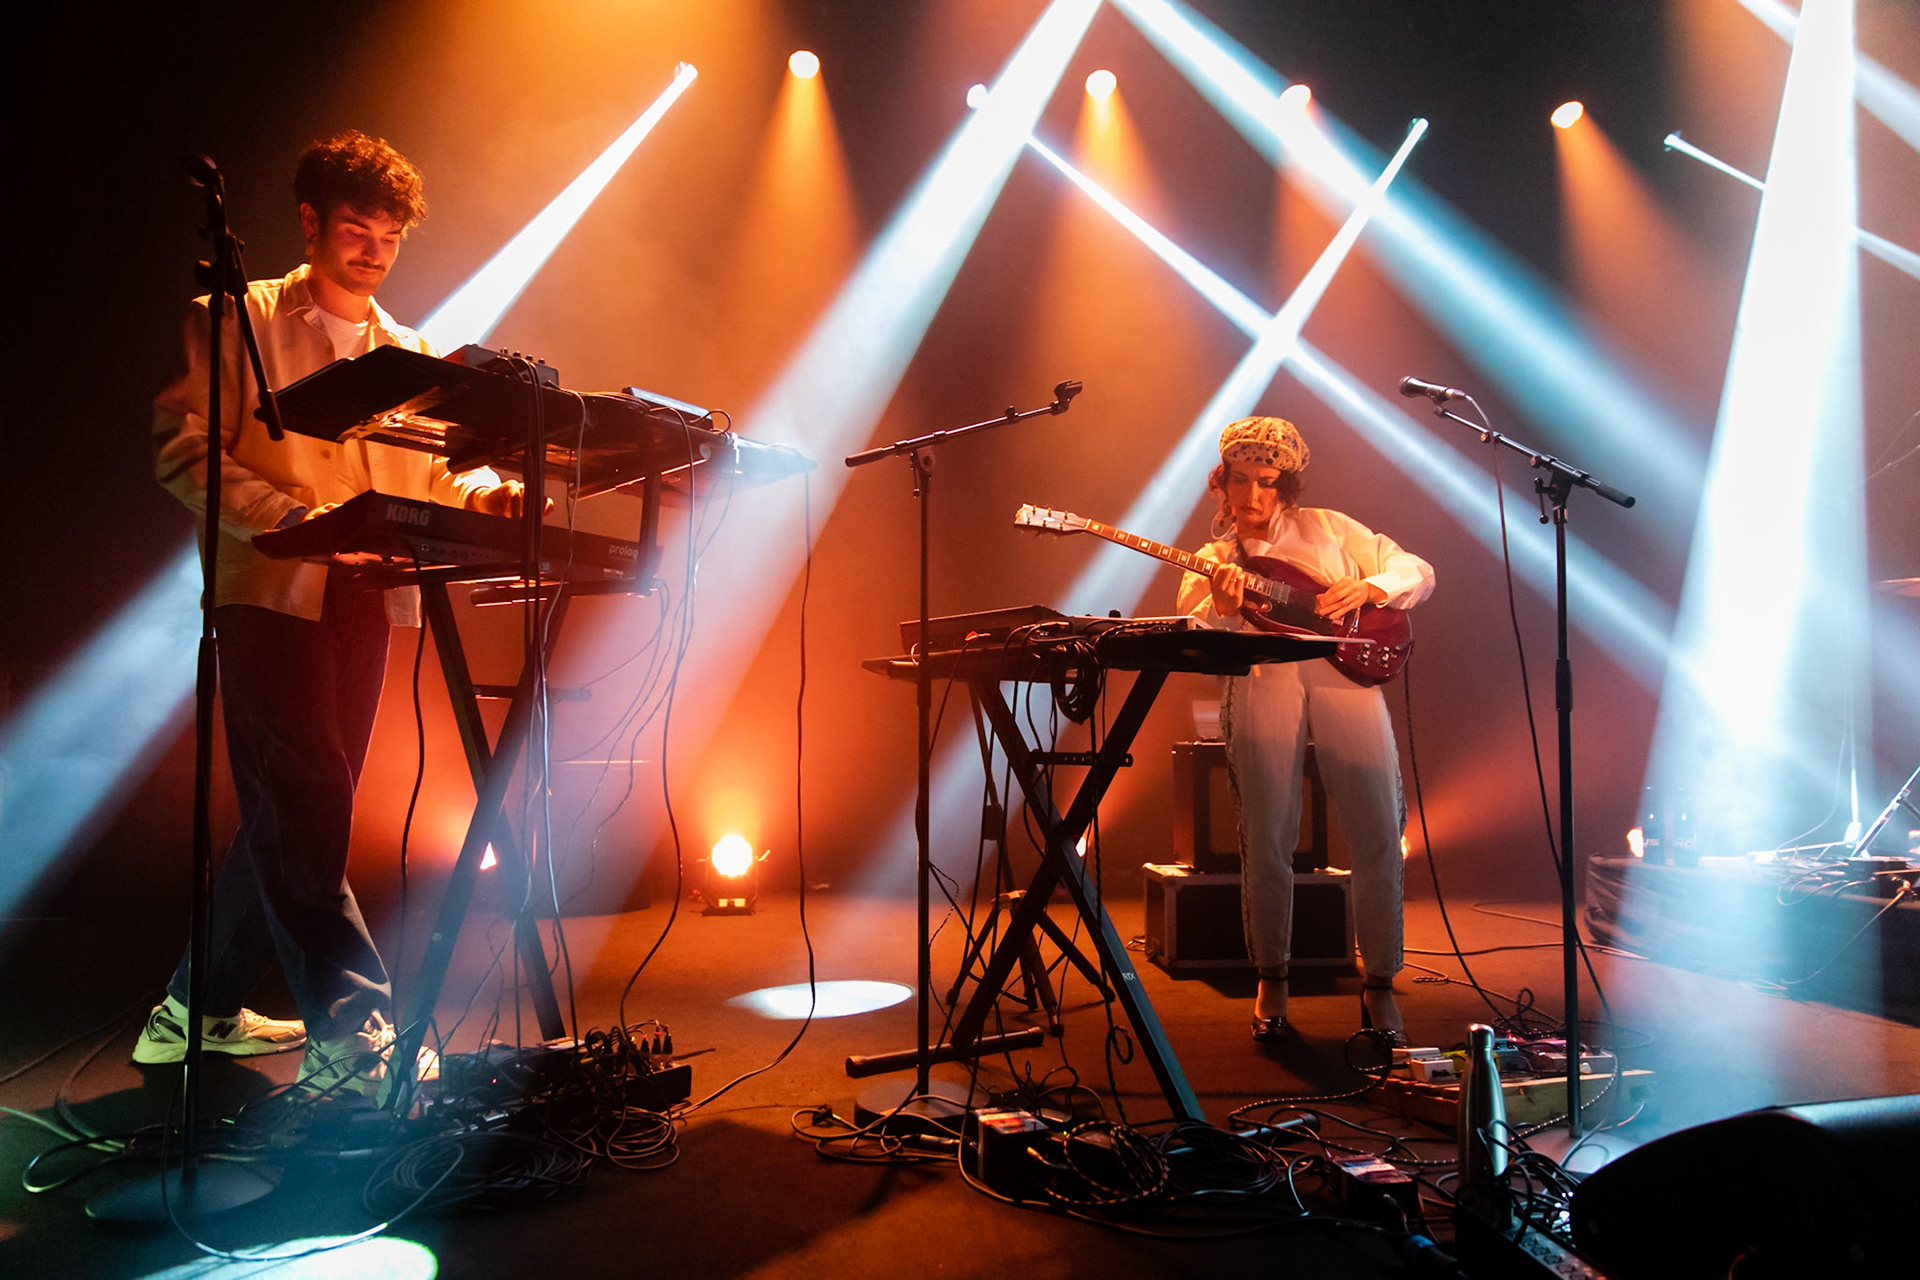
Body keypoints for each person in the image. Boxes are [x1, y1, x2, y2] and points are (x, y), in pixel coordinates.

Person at [140, 130, 525, 1099]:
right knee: (307, 799)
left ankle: (195, 1008)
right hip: (267, 587)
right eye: (358, 226)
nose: (375, 248)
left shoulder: (410, 350)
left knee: (297, 804)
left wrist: (489, 496)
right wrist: (289, 518)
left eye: (390, 233)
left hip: (364, 597)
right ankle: (353, 1032)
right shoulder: (233, 318)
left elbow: (439, 464)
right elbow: (180, 448)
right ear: (311, 220)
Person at [1176, 416, 1434, 1044]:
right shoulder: (1214, 559)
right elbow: (1194, 631)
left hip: (1345, 674)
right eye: (1241, 481)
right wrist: (1225, 609)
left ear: (1285, 485)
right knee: (1266, 834)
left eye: (1267, 483)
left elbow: (1417, 570)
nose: (1253, 496)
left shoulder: (1330, 528)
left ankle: (1379, 983)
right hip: (1263, 679)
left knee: (1377, 827)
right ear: (1222, 483)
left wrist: (1368, 585)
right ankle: (1273, 978)